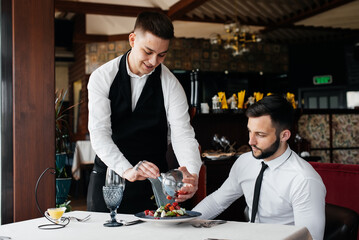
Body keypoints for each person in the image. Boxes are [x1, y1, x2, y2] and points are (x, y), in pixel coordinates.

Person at [87, 11, 202, 214]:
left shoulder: (171, 85)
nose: (153, 61)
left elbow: (183, 135)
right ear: (132, 39)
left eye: (161, 54)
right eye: (148, 51)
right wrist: (127, 170)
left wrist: (192, 174)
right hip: (110, 177)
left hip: (153, 183)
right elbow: (99, 134)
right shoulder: (102, 77)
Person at [192, 95, 326, 240]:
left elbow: (311, 238)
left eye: (260, 135)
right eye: (250, 131)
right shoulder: (245, 162)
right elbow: (217, 202)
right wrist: (184, 220)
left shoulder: (304, 180)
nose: (251, 141)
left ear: (284, 135)